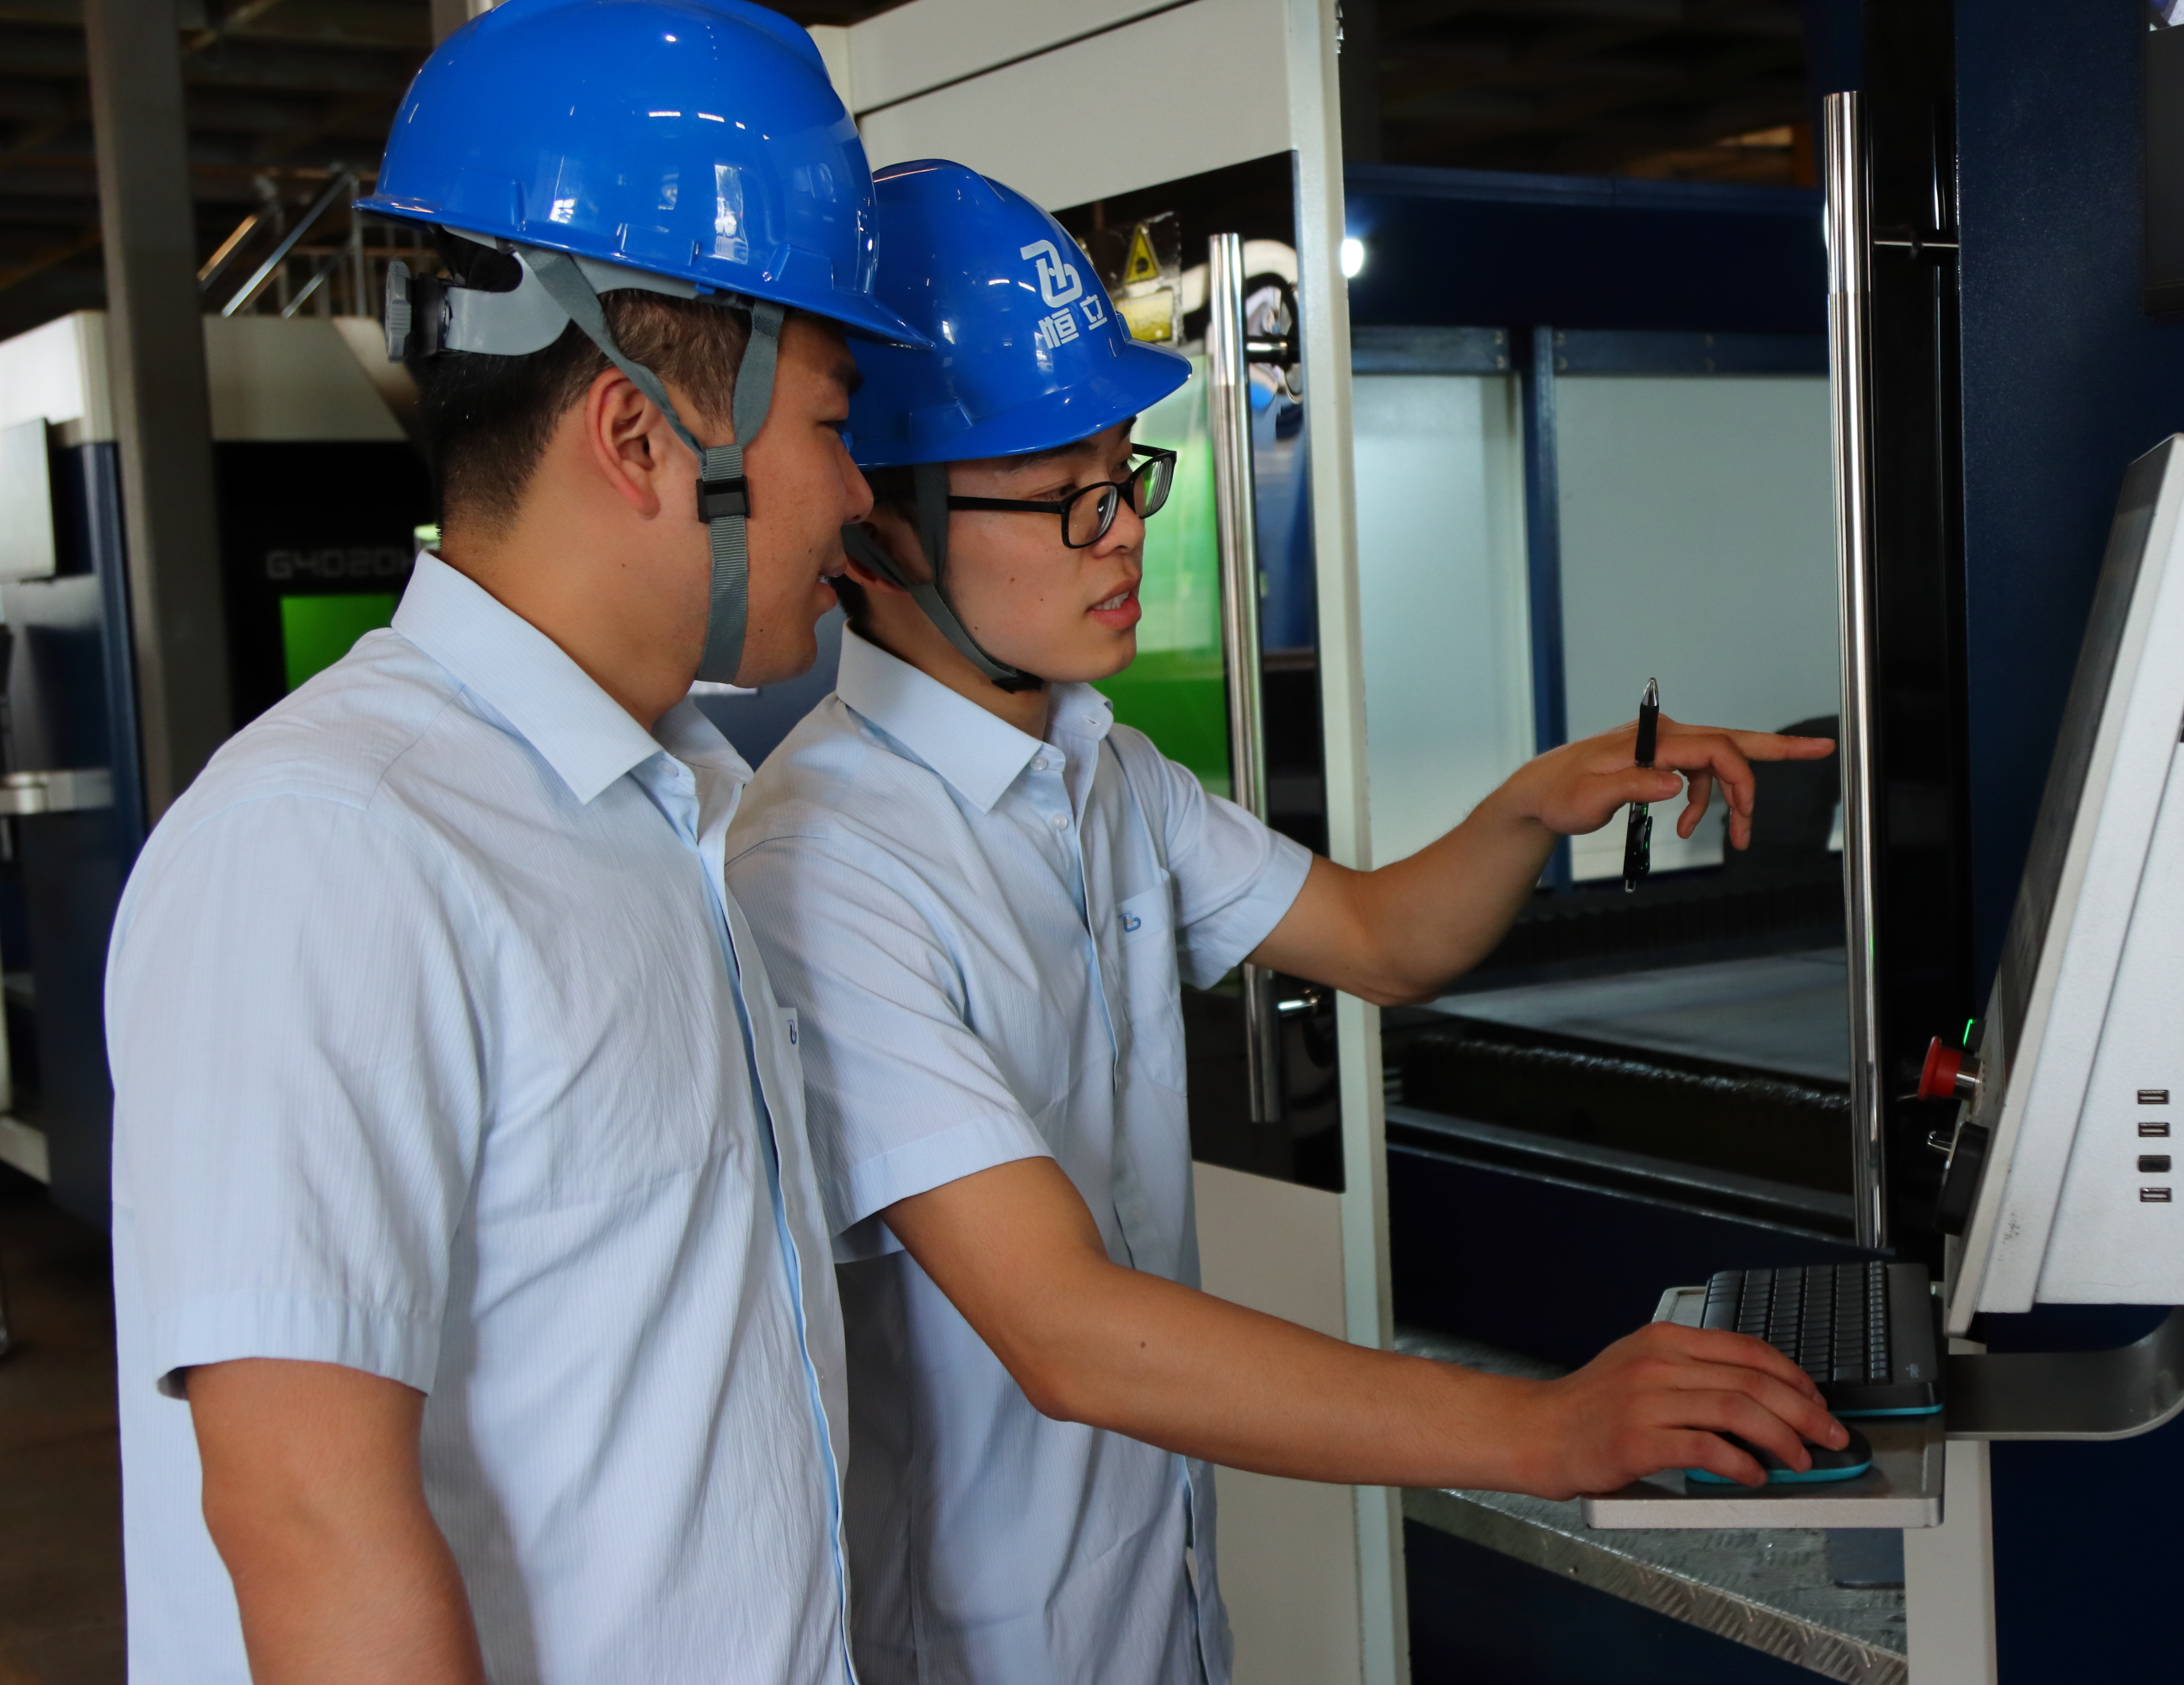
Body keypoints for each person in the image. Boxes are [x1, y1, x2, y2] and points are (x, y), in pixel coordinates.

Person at [726, 160, 1847, 1685]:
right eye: (1067, 497)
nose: (1124, 535)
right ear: (883, 533)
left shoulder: (1102, 770)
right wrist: (1542, 1427)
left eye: (1128, 477)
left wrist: (1537, 802)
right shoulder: (825, 865)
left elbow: (1380, 940)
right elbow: (1063, 1330)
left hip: (1160, 1614)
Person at [104, 3, 924, 1678]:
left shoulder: (659, 816)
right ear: (638, 436)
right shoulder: (333, 845)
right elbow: (311, 1526)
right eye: (834, 427)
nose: (859, 497)